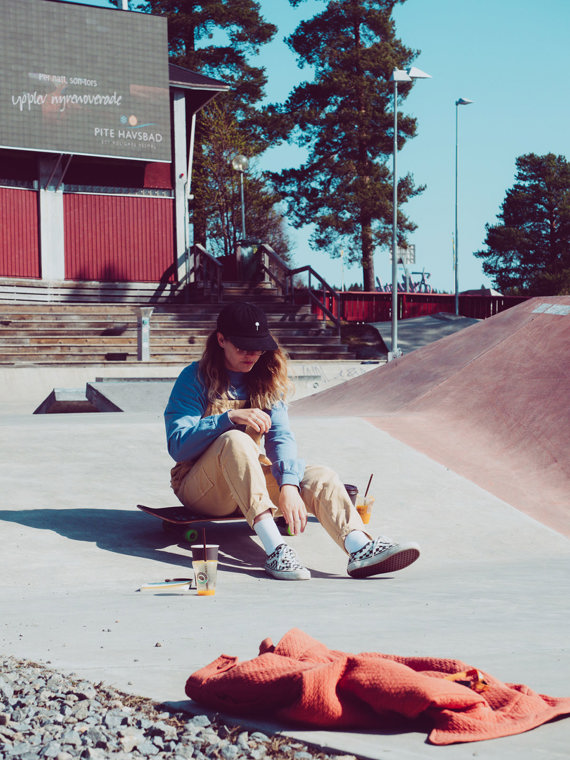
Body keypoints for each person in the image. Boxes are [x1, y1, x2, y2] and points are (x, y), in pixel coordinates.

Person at [164, 301, 420, 581]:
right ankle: (276, 550)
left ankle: (359, 547)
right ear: (221, 340)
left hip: (248, 485)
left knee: (320, 476)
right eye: (243, 347)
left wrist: (288, 484)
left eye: (259, 347)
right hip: (201, 489)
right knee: (235, 440)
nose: (252, 354)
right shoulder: (195, 377)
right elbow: (179, 445)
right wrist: (228, 418)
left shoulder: (265, 378)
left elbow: (281, 436)